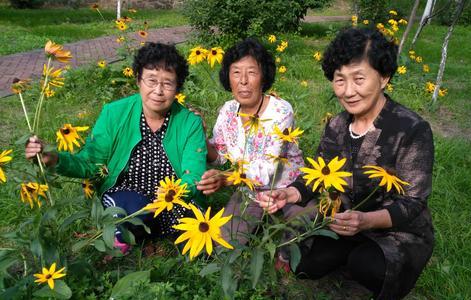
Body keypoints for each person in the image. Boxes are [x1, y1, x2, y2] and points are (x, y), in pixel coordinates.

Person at [256, 27, 435, 299]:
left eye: (359, 79)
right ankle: (347, 251)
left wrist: (366, 221)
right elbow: (316, 173)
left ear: (384, 77)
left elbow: (412, 202)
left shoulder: (411, 129)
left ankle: (368, 260)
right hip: (343, 220)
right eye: (340, 80)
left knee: (368, 267)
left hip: (395, 229)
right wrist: (288, 193)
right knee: (303, 264)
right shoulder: (338, 125)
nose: (348, 91)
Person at [25, 42, 207, 252]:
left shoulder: (189, 123)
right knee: (133, 211)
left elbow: (193, 175)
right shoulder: (114, 113)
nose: (158, 90)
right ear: (138, 79)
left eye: (168, 83)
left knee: (197, 229)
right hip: (128, 195)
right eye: (151, 80)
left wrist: (171, 194)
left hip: (171, 199)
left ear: (177, 88)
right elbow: (91, 163)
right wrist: (55, 159)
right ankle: (122, 237)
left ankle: (147, 236)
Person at [195, 38, 307, 247]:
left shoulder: (281, 111)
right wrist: (199, 135)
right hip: (249, 191)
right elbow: (219, 155)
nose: (243, 81)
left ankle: (286, 232)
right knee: (224, 244)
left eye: (252, 72)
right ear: (228, 77)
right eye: (236, 72)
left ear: (264, 77)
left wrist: (226, 180)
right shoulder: (228, 110)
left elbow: (270, 168)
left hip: (286, 186)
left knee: (304, 226)